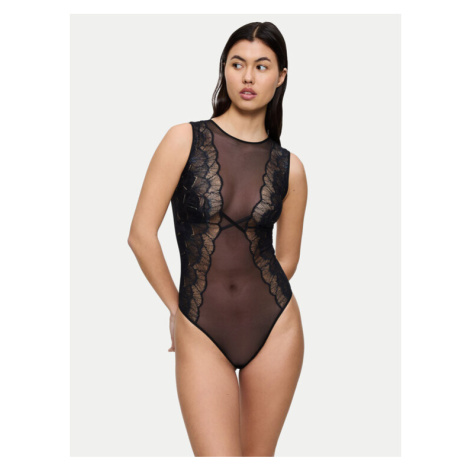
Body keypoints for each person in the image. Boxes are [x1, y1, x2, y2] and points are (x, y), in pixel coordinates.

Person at [128, 21, 308, 457]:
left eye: (262, 66)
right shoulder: (183, 139)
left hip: (275, 327)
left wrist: (251, 299)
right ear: (224, 69)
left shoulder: (291, 168)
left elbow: (286, 259)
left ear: (280, 76)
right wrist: (177, 309)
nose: (248, 77)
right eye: (237, 64)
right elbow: (140, 235)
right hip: (200, 324)